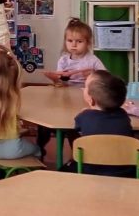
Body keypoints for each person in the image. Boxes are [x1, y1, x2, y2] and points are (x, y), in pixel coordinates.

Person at [38, 18, 106, 152]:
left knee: (73, 126)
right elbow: (60, 83)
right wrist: (55, 79)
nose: (74, 45)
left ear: (88, 43)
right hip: (65, 97)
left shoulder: (92, 60)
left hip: (85, 99)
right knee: (44, 119)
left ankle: (77, 152)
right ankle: (39, 148)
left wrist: (92, 75)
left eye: (79, 41)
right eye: (70, 41)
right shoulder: (63, 60)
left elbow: (106, 79)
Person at [59, 70, 137, 178]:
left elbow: (76, 127)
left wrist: (86, 111)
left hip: (89, 171)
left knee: (61, 170)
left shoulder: (84, 116)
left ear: (91, 101)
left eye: (86, 88)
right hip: (125, 172)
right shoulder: (123, 116)